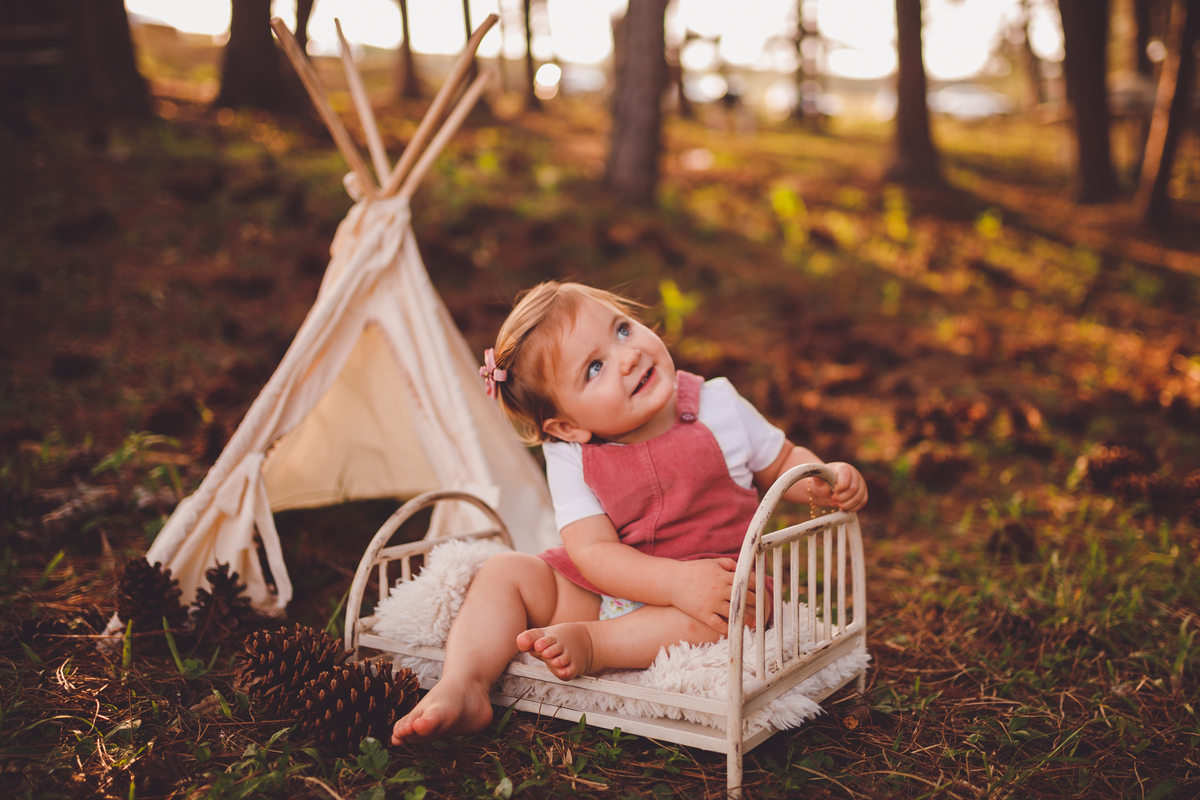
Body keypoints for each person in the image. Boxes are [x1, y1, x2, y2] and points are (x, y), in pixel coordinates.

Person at [391, 281, 868, 746]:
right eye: (594, 367)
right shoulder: (570, 454)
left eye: (622, 329)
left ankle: (598, 645)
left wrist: (821, 478)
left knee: (734, 612)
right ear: (568, 426)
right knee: (504, 570)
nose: (629, 355)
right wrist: (671, 582)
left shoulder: (718, 402)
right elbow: (592, 550)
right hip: (609, 590)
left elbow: (781, 461)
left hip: (712, 588)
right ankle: (465, 682)